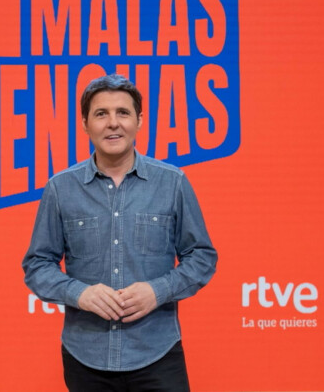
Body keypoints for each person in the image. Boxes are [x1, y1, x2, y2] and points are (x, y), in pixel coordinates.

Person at [22, 73, 217, 392]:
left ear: (139, 121)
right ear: (85, 124)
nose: (113, 123)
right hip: (85, 356)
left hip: (158, 353)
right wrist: (79, 293)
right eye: (101, 113)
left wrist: (158, 290)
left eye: (123, 113)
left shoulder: (173, 183)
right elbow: (37, 265)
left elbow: (202, 257)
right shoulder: (60, 188)